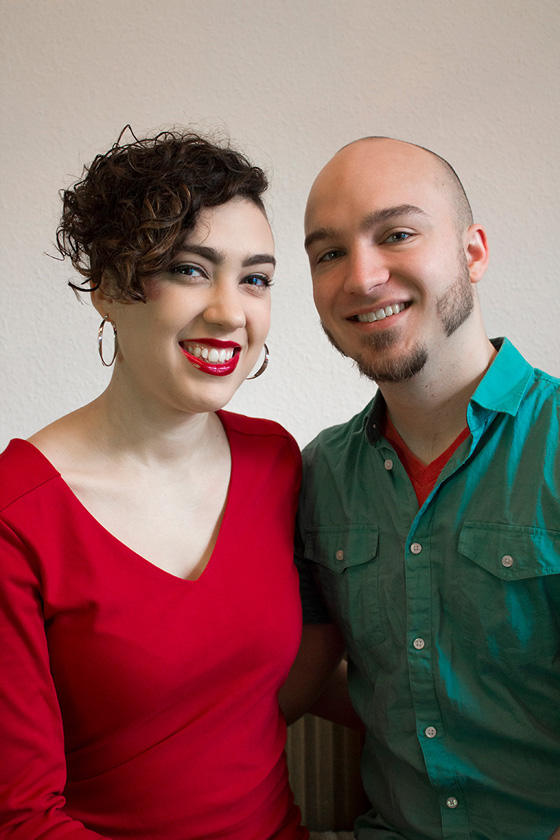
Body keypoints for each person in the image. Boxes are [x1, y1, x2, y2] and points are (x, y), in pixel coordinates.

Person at [0, 129, 308, 840]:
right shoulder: (18, 515)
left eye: (256, 278)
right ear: (109, 287)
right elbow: (22, 819)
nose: (232, 312)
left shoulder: (277, 463)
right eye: (191, 270)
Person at [286, 137, 560, 840]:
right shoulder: (319, 478)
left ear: (473, 252)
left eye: (397, 234)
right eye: (329, 254)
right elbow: (315, 669)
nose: (362, 276)